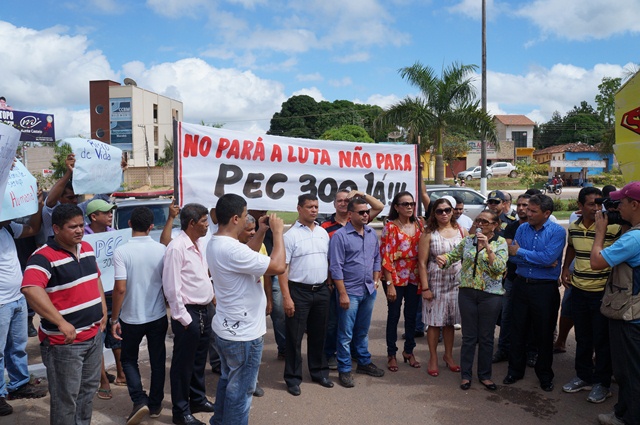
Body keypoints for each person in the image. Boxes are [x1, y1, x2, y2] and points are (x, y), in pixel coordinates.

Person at [21, 204, 107, 425]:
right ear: (57, 229)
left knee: (87, 393)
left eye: (81, 225)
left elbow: (95, 277)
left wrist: (103, 310)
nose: (79, 230)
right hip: (65, 344)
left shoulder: (86, 248)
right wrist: (60, 322)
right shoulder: (42, 257)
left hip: (93, 336)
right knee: (65, 399)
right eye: (73, 227)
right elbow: (31, 289)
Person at [207, 193, 286, 425]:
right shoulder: (232, 249)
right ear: (234, 219)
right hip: (243, 335)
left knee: (228, 381)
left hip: (228, 328)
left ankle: (219, 421)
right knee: (240, 393)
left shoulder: (218, 241)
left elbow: (248, 254)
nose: (246, 220)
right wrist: (278, 233)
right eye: (244, 216)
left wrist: (260, 231)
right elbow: (279, 266)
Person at [560, 187, 621, 404]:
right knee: (582, 336)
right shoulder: (574, 226)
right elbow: (572, 248)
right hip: (579, 290)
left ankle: (602, 383)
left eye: (599, 204)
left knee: (601, 339)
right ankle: (583, 376)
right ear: (580, 206)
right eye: (591, 204)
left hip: (603, 291)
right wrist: (565, 268)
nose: (596, 208)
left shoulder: (612, 227)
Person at [435, 210, 507, 391]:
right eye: (478, 220)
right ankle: (466, 376)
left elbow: (499, 268)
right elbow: (453, 256)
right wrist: (443, 259)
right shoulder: (467, 241)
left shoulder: (500, 243)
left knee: (486, 337)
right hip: (467, 293)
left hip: (490, 295)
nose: (480, 224)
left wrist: (488, 248)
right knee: (468, 337)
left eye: (485, 221)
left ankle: (485, 375)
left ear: (495, 225)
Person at [503, 194, 566, 392]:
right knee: (518, 329)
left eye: (532, 211)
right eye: (527, 209)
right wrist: (538, 259)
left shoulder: (557, 232)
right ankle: (515, 370)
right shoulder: (522, 228)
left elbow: (547, 257)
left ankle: (545, 374)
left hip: (544, 289)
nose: (527, 213)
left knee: (544, 333)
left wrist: (521, 253)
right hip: (521, 285)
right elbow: (511, 258)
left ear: (546, 213)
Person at [111, 207, 168, 424]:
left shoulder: (122, 251)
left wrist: (114, 318)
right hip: (158, 315)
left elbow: (120, 288)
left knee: (128, 359)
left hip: (131, 317)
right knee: (157, 360)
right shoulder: (161, 249)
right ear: (151, 227)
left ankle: (138, 399)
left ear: (129, 225)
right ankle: (154, 405)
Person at [590, 182, 640, 425]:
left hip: (629, 315)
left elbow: (597, 262)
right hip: (635, 310)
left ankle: (628, 418)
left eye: (621, 202)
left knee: (628, 372)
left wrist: (599, 232)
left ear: (635, 205)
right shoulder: (633, 233)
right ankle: (622, 410)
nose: (617, 206)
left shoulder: (635, 239)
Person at [163, 203, 215, 425]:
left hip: (205, 310)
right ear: (192, 223)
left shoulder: (199, 244)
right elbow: (171, 287)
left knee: (198, 360)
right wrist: (183, 317)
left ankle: (197, 399)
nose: (206, 225)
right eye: (204, 221)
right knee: (183, 365)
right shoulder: (177, 248)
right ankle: (181, 411)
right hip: (188, 314)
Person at [322, 190, 384, 369]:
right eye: (362, 212)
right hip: (349, 291)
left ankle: (363, 361)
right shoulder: (340, 235)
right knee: (345, 332)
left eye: (367, 212)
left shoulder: (371, 232)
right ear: (351, 215)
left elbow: (376, 257)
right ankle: (344, 368)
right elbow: (336, 266)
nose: (366, 215)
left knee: (363, 331)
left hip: (368, 290)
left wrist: (375, 278)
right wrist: (342, 293)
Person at [0, 194, 47, 417]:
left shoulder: (8, 229)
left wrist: (37, 206)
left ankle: (18, 385)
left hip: (17, 298)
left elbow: (34, 228)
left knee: (17, 347)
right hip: (0, 303)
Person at [280, 194, 332, 396]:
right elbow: (283, 269)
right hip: (298, 292)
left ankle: (319, 372)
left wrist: (327, 283)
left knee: (319, 334)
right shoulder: (290, 236)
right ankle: (292, 378)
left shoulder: (322, 233)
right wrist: (287, 297)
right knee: (294, 337)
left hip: (320, 291)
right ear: (299, 208)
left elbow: (327, 261)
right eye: (309, 206)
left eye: (316, 206)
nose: (314, 210)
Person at [418, 197, 467, 376]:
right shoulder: (428, 232)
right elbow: (422, 263)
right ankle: (433, 357)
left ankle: (448, 355)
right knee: (434, 323)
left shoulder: (462, 231)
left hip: (456, 282)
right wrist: (425, 288)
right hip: (435, 282)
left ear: (453, 211)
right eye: (439, 211)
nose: (444, 214)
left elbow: (468, 257)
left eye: (447, 210)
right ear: (434, 214)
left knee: (449, 322)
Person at [84, 199, 127, 398]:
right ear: (94, 216)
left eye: (111, 211)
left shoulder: (115, 234)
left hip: (114, 294)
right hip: (93, 296)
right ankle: (103, 381)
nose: (110, 215)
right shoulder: (83, 237)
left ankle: (121, 374)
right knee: (97, 341)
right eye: (106, 212)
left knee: (117, 335)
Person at [381, 191, 422, 372]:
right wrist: (389, 284)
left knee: (412, 315)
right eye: (405, 204)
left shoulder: (419, 223)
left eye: (411, 204)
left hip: (414, 276)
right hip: (395, 276)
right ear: (396, 207)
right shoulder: (390, 227)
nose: (409, 207)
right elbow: (386, 256)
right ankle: (391, 353)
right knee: (394, 315)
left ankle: (409, 351)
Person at [493, 194, 531, 363]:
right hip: (512, 277)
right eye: (520, 205)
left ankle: (530, 352)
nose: (522, 208)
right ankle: (503, 349)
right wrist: (532, 256)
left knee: (531, 317)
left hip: (531, 279)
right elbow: (508, 252)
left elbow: (546, 257)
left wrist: (521, 252)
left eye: (526, 206)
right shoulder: (511, 226)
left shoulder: (540, 228)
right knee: (507, 315)